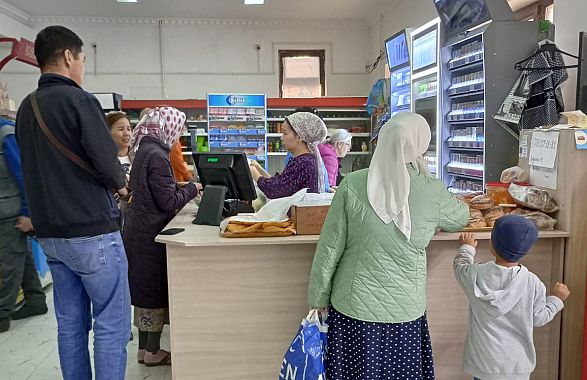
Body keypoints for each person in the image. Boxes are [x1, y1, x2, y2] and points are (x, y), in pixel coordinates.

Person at [307, 112, 469, 380]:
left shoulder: (353, 183)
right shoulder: (431, 190)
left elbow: (329, 247)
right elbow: (461, 217)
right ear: (419, 144)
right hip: (405, 309)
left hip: (353, 307)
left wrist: (318, 297)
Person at [15, 26, 130, 380]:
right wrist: (122, 184)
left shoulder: (26, 107)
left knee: (70, 326)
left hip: (51, 236)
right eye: (82, 58)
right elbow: (107, 162)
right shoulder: (80, 101)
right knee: (111, 323)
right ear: (68, 57)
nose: (82, 66)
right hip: (92, 232)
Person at [123, 107, 197, 367]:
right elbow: (167, 201)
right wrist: (191, 189)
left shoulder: (144, 148)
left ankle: (144, 350)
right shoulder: (158, 155)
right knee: (153, 292)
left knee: (143, 293)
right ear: (169, 127)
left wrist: (175, 186)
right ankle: (153, 352)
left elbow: (152, 189)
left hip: (136, 230)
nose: (179, 134)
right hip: (149, 234)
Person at [455, 216, 569, 380]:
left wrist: (467, 248)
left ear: (492, 244)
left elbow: (460, 267)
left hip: (483, 365)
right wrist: (557, 299)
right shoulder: (533, 283)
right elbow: (539, 317)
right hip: (516, 367)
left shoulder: (475, 275)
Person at [0, 117, 47, 333]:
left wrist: (28, 212)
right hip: (8, 208)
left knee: (10, 263)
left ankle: (2, 314)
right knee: (21, 256)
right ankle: (35, 299)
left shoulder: (5, 131)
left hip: (10, 210)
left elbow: (21, 172)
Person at [249, 112, 327, 199]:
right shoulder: (303, 160)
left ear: (299, 137)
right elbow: (280, 183)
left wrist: (252, 171)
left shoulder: (303, 163)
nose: (282, 138)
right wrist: (258, 168)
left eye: (285, 133)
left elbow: (274, 190)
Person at [106, 111, 132, 180]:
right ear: (108, 132)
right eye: (121, 129)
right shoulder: (102, 161)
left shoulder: (139, 157)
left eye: (129, 129)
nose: (127, 133)